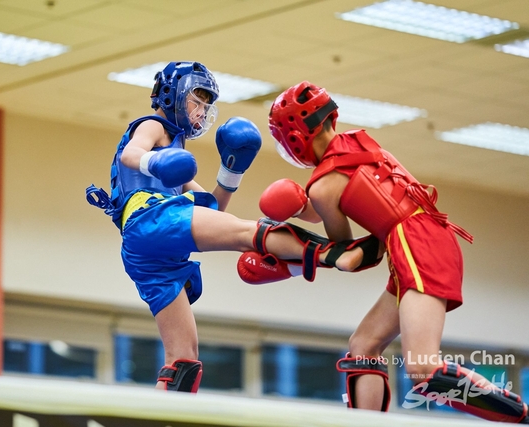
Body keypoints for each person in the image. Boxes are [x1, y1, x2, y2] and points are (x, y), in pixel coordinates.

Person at [86, 62, 382, 393]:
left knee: (182, 360)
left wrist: (232, 170)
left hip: (147, 251)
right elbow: (131, 153)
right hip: (150, 220)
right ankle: (335, 252)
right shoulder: (154, 127)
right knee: (248, 234)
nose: (200, 111)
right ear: (172, 95)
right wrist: (153, 161)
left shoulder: (175, 156)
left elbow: (212, 209)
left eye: (205, 105)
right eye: (195, 101)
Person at [251, 80, 529, 423]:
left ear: (293, 137)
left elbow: (350, 251)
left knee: (423, 371)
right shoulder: (358, 143)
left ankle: (521, 415)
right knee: (363, 347)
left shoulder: (323, 186)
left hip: (416, 244)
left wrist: (292, 249)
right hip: (425, 237)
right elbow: (361, 200)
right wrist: (301, 207)